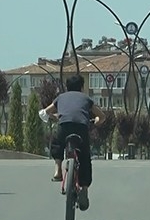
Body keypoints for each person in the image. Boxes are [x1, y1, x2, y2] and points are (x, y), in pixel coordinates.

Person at [43, 74, 105, 211]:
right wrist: (96, 123)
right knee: (84, 157)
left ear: (67, 86)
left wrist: (56, 117)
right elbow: (102, 116)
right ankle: (84, 189)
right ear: (81, 87)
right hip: (82, 127)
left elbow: (46, 111)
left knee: (57, 143)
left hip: (64, 126)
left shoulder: (61, 98)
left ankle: (57, 170)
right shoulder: (86, 98)